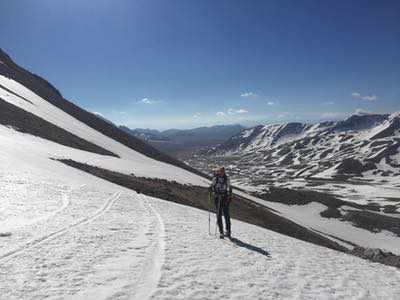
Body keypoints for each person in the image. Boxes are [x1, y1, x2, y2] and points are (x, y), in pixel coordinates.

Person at [210, 167, 232, 239]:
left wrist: (229, 197)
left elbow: (229, 188)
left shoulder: (227, 179)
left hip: (224, 198)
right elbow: (212, 187)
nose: (222, 172)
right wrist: (213, 192)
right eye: (221, 171)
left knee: (226, 215)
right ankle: (221, 232)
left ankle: (228, 231)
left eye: (223, 171)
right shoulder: (215, 178)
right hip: (218, 197)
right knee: (219, 215)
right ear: (219, 171)